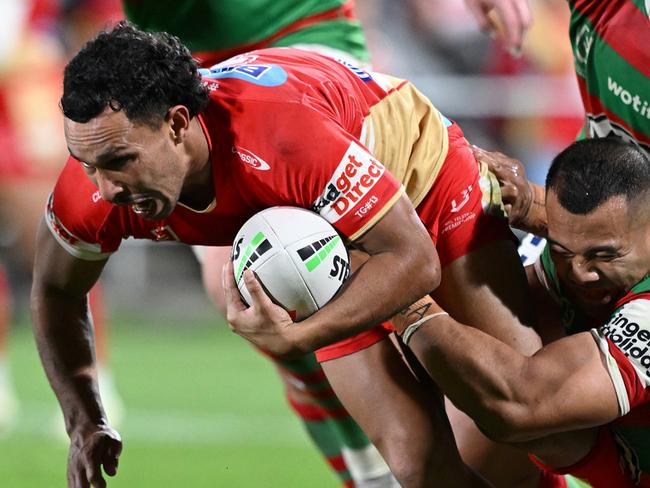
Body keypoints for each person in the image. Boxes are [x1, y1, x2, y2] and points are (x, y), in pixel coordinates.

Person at [32, 22, 546, 488]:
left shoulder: (278, 136)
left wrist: (298, 336)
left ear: (177, 124)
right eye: (87, 164)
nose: (106, 187)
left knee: (517, 415)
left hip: (423, 183)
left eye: (120, 161)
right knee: (417, 465)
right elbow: (55, 290)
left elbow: (413, 260)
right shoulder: (94, 193)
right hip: (323, 242)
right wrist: (83, 417)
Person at [388, 138, 650, 487]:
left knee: (522, 407)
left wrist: (403, 299)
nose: (580, 273)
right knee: (483, 412)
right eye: (562, 250)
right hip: (618, 458)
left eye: (604, 255)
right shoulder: (569, 264)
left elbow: (520, 407)